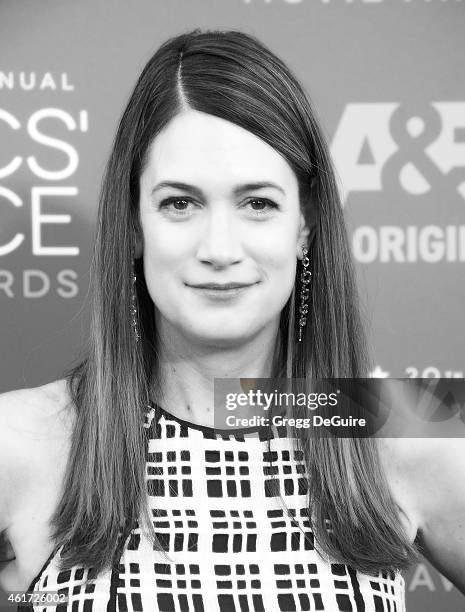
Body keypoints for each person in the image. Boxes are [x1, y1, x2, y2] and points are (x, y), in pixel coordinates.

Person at [1, 28, 464, 612]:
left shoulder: (390, 429)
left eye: (258, 203)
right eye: (180, 203)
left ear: (305, 225)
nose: (219, 247)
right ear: (133, 225)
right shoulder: (22, 442)